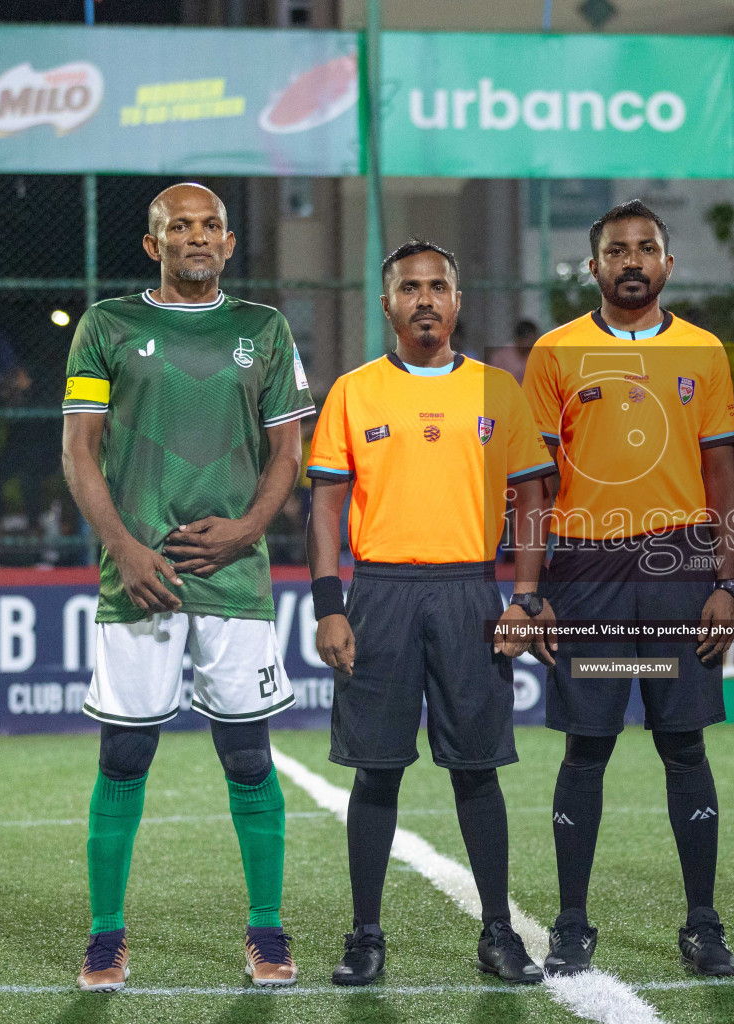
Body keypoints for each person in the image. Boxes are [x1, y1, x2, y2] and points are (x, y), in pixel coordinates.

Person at [61, 183, 314, 993]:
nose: (196, 237)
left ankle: (267, 932)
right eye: (179, 228)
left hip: (235, 575)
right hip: (139, 575)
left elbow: (288, 454)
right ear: (153, 245)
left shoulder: (263, 330)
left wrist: (247, 531)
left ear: (230, 244)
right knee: (126, 751)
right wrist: (125, 548)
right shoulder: (107, 326)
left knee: (248, 755)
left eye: (209, 226)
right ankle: (106, 937)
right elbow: (79, 453)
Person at [307, 240, 556, 987]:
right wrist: (329, 605)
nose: (424, 299)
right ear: (386, 303)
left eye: (437, 287)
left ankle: (498, 933)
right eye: (409, 288)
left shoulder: (496, 390)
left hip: (470, 593)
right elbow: (323, 508)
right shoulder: (353, 392)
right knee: (376, 772)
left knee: (477, 771)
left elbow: (534, 502)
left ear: (457, 301)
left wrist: (526, 598)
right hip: (378, 592)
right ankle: (366, 934)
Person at [522, 200, 734, 978]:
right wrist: (531, 587)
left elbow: (725, 474)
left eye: (646, 248)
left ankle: (703, 924)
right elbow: (534, 485)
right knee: (588, 745)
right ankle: (572, 923)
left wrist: (731, 578)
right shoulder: (555, 352)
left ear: (667, 265)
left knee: (683, 742)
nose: (631, 260)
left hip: (682, 568)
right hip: (585, 574)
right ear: (595, 266)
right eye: (616, 249)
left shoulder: (705, 351)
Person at [485, 318, 540, 384]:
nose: (533, 342)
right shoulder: (501, 357)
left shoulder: (536, 356)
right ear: (520, 339)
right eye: (530, 339)